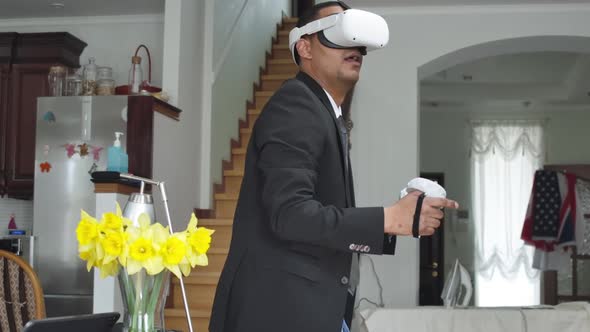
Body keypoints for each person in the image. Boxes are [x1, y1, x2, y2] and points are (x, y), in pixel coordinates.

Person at [209, 2, 459, 331]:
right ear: (304, 47)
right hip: (280, 312)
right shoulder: (296, 104)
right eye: (338, 32)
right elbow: (290, 215)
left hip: (314, 308)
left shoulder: (325, 114)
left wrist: (395, 219)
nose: (354, 47)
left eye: (358, 41)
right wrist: (389, 218)